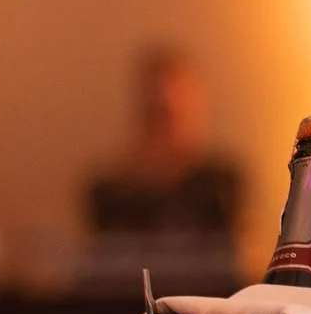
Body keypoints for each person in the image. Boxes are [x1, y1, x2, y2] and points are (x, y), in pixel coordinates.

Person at [84, 47, 241, 289]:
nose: (163, 129)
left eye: (169, 115)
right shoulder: (108, 192)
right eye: (154, 115)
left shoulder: (220, 184)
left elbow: (242, 261)